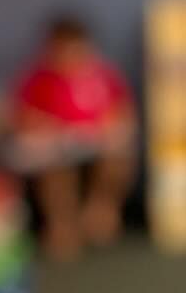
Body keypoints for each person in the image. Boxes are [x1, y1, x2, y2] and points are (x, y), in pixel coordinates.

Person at [9, 13, 136, 260]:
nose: (69, 57)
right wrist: (47, 129)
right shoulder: (38, 78)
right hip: (55, 150)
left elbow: (122, 111)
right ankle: (62, 225)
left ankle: (101, 211)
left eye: (75, 49)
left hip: (96, 144)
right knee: (56, 173)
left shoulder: (102, 74)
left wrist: (110, 128)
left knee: (119, 160)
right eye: (62, 50)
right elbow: (23, 117)